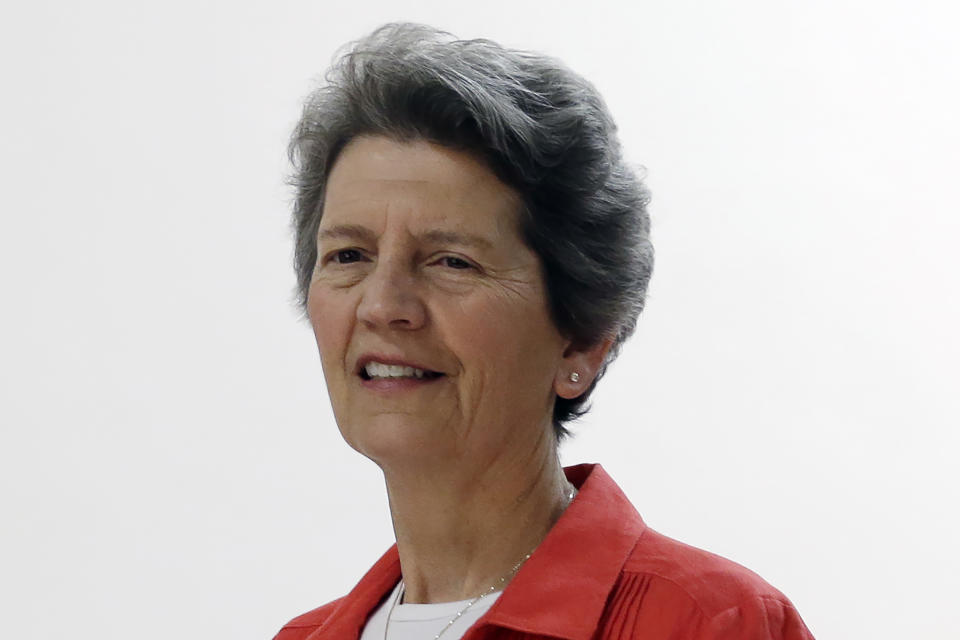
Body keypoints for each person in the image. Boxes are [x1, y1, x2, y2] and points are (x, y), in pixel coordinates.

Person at [273, 23, 815, 640]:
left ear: (582, 339)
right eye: (349, 255)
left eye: (452, 261)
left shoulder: (709, 622)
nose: (383, 305)